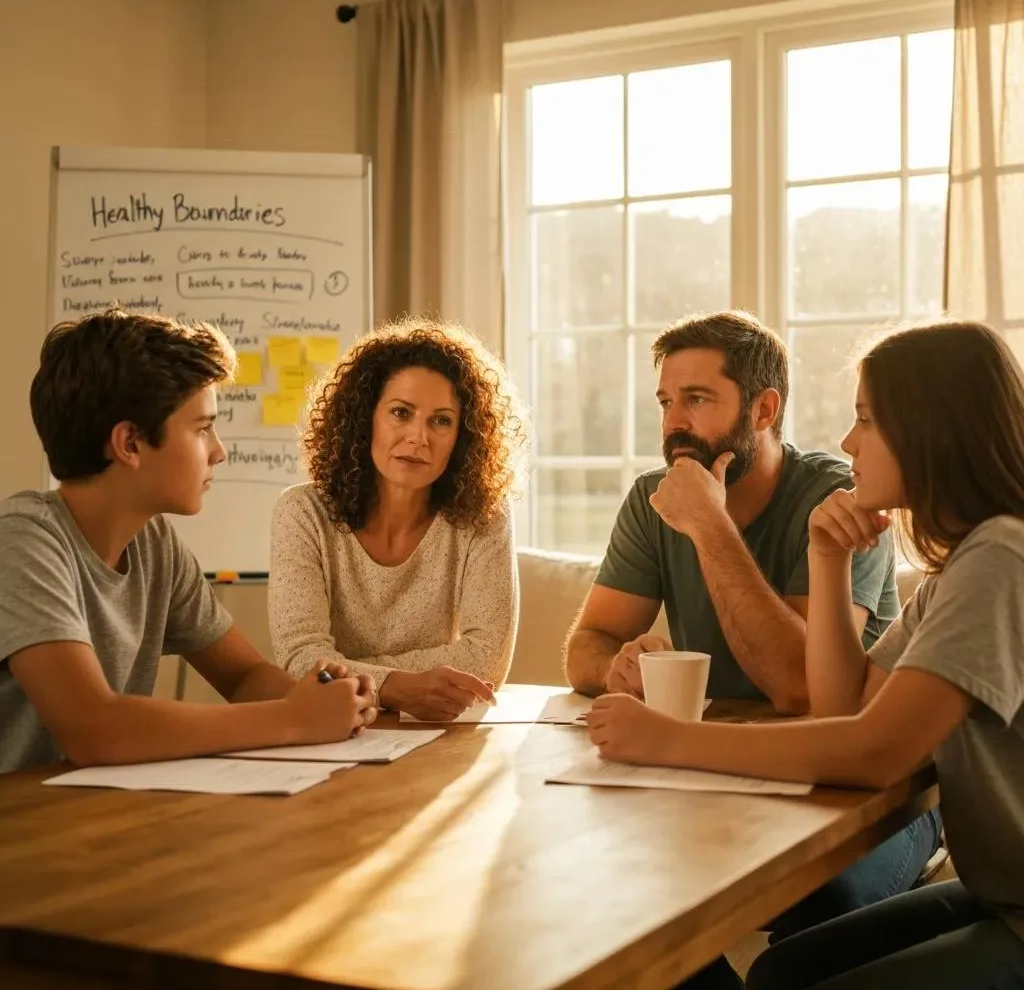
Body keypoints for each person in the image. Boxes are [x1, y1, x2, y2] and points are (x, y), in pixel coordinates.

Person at [587, 320, 1024, 989]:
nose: (849, 441)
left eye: (868, 420)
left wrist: (667, 741)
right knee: (780, 973)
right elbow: (839, 703)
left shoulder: (1000, 556)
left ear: (935, 430)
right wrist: (826, 558)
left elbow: (874, 751)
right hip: (1002, 896)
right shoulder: (961, 568)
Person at [0, 308, 375, 775]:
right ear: (130, 444)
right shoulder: (24, 541)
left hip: (91, 818)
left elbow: (244, 677)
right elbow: (93, 728)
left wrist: (320, 698)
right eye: (201, 428)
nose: (218, 450)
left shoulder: (154, 542)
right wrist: (292, 718)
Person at [269, 318, 528, 722]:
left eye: (441, 420)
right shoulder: (303, 513)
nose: (419, 438)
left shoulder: (484, 517)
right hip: (334, 730)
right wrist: (396, 687)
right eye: (401, 412)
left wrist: (351, 669)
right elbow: (300, 657)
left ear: (464, 435)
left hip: (434, 732)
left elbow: (486, 660)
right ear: (364, 417)